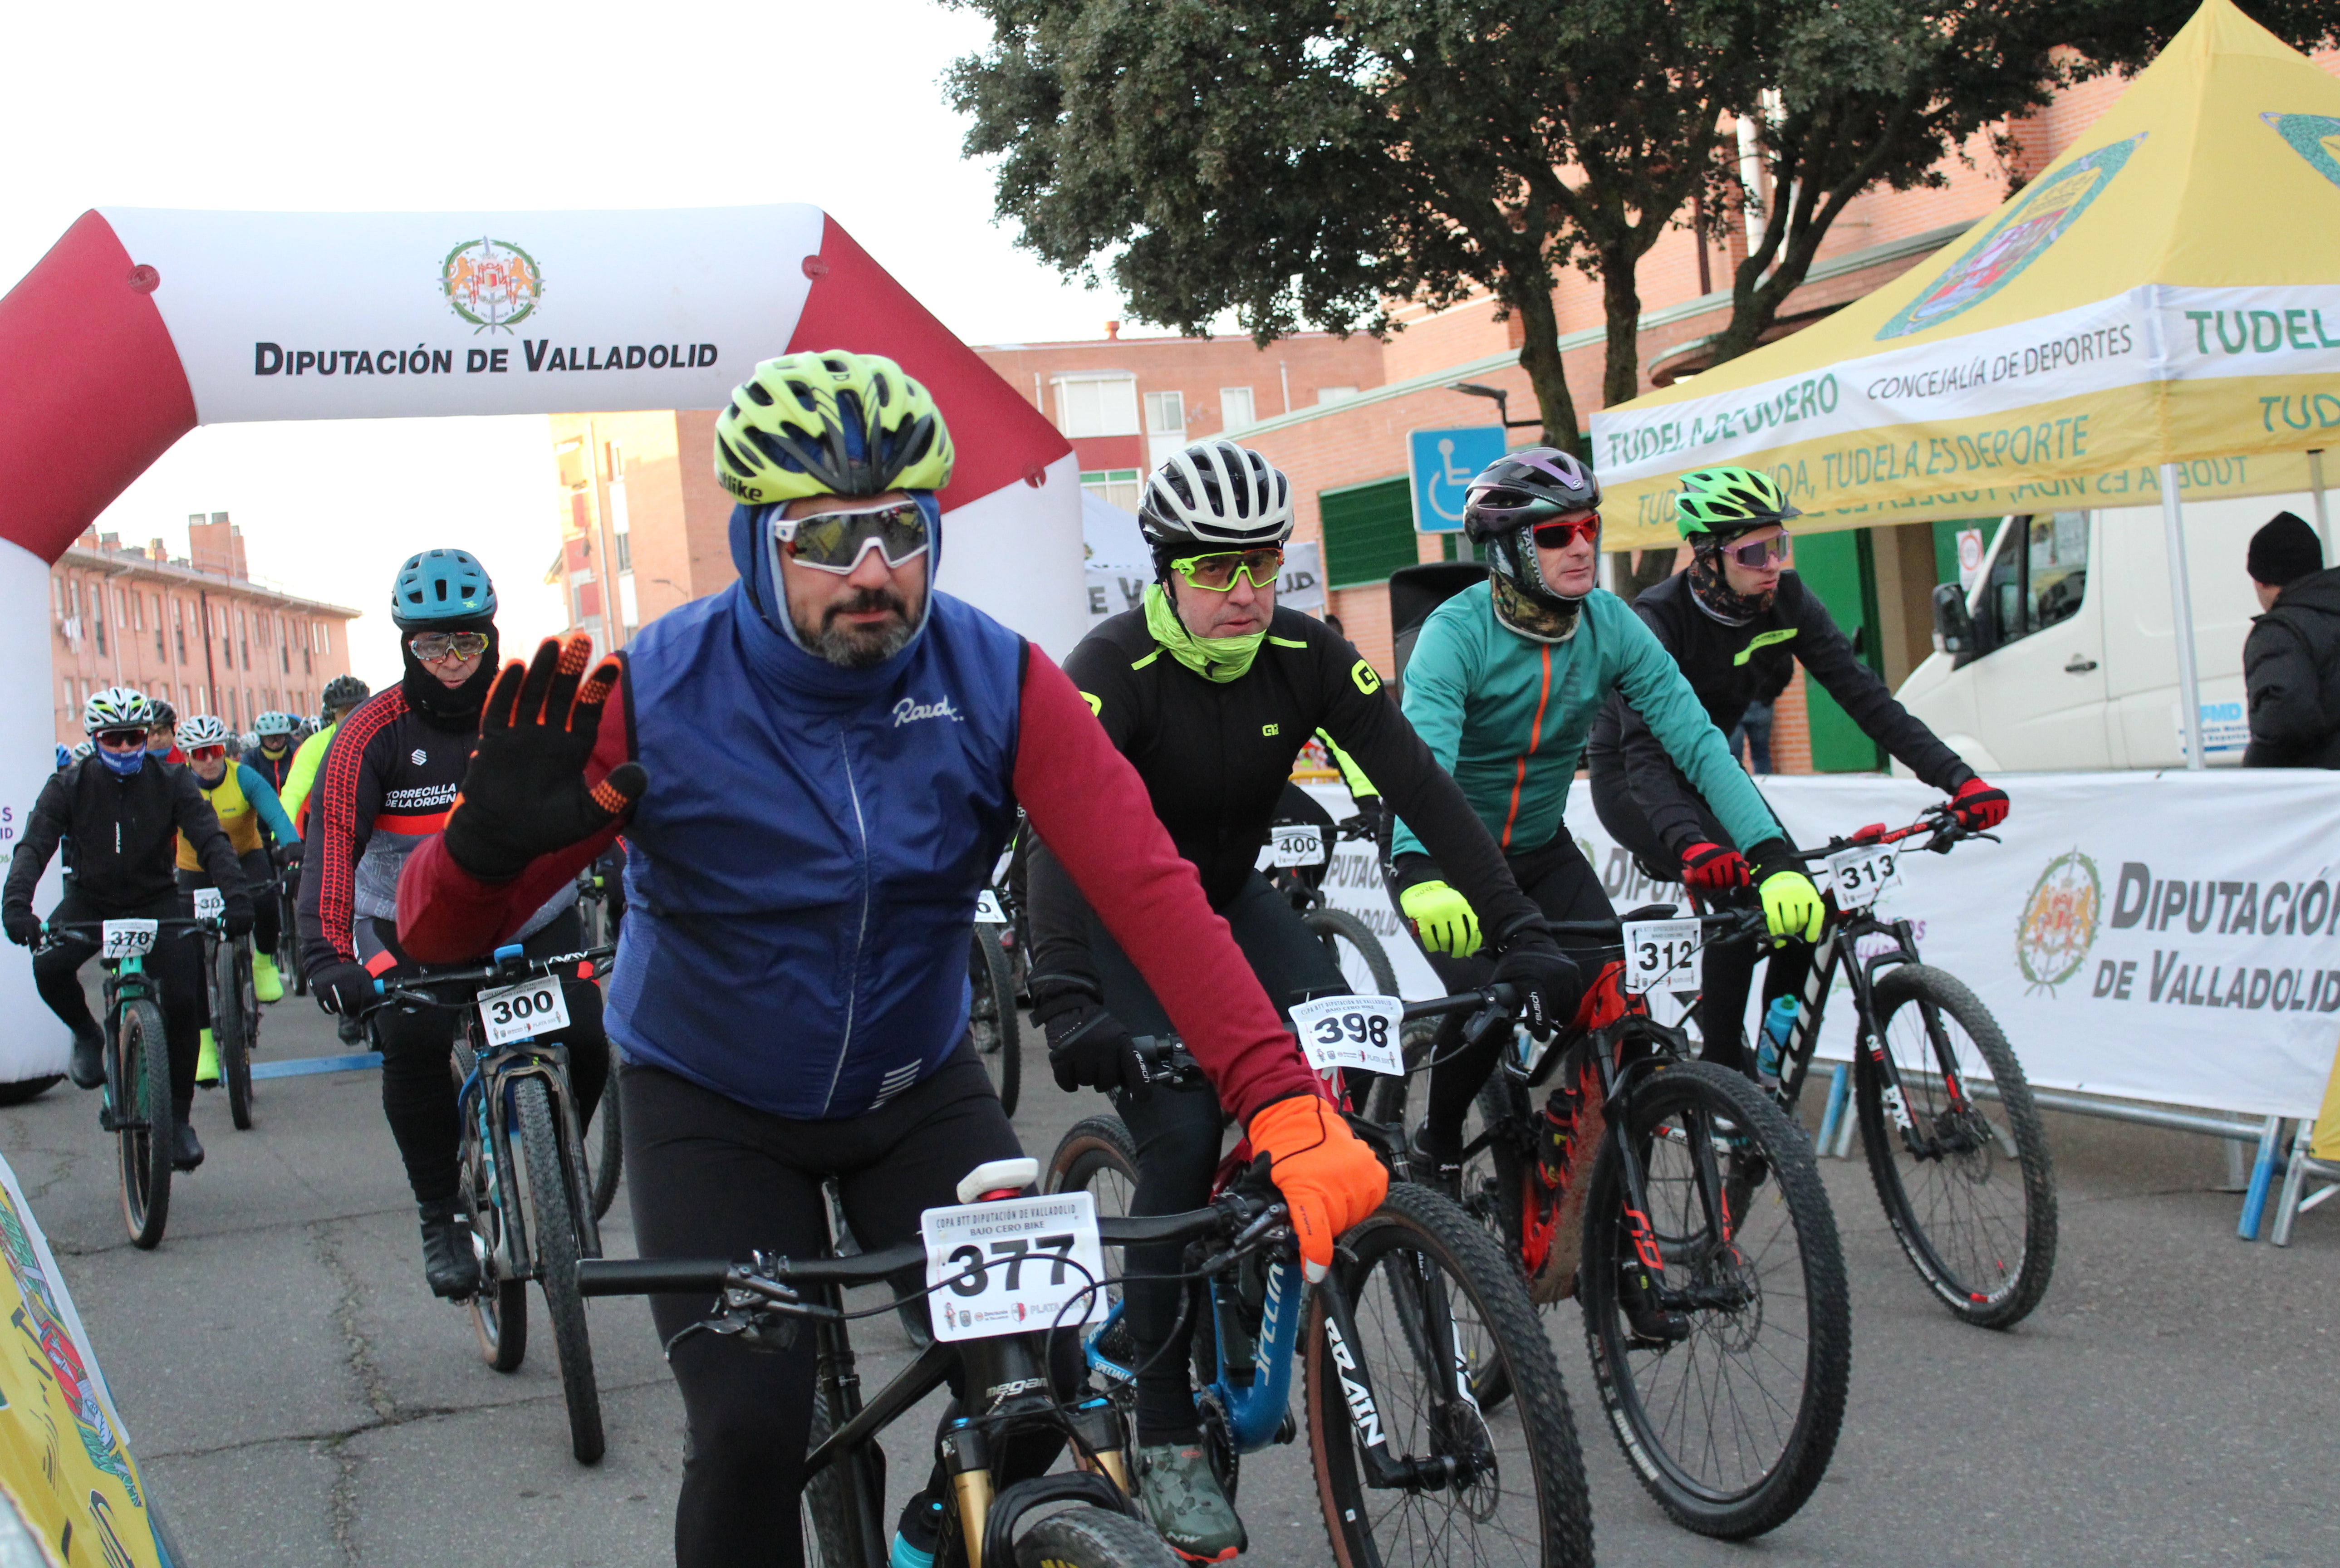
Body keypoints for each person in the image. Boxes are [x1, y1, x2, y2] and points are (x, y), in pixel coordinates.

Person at [391, 351, 1388, 1568]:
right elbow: (438, 937)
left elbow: (1150, 889)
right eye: (828, 539)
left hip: (915, 1089)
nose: (874, 575)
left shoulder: (993, 676)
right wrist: (485, 850)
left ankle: (933, 1532)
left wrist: (1277, 1094)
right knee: (752, 1433)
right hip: (710, 1103)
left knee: (1049, 1384)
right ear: (758, 539)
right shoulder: (652, 691)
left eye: (902, 532)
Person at [1023, 438, 1580, 1560]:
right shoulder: (1111, 665)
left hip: (1229, 901)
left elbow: (1415, 779)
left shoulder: (1304, 650)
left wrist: (1518, 926)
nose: (1242, 590)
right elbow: (1053, 835)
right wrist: (1066, 992)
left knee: (1338, 1083)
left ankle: (1288, 1256)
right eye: (1215, 567)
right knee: (1179, 1132)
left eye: (1262, 563)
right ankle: (1170, 1428)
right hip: (1123, 924)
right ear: (1163, 567)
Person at [1387, 450, 1826, 1265]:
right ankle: (1438, 1144)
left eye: (1589, 527)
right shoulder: (1456, 635)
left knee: (1612, 1015)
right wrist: (1418, 871)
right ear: (1508, 549)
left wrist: (1772, 855)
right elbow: (1424, 770)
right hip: (1450, 861)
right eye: (1555, 534)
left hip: (1542, 850)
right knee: (1487, 1010)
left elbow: (1696, 743)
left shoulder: (1609, 625)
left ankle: (1608, 1217)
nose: (1581, 546)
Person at [1588, 466, 2008, 1068]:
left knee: (1801, 904)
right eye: (1755, 551)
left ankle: (1771, 1065)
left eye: (1780, 545)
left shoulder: (1785, 599)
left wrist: (1959, 778)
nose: (1773, 564)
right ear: (1707, 555)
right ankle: (1725, 1081)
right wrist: (1691, 843)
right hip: (1635, 779)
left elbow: (1868, 701)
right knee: (1738, 901)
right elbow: (1646, 756)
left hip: (1716, 775)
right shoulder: (1658, 619)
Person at [297, 553, 609, 1301]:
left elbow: (607, 799)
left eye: (465, 643)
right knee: (410, 1043)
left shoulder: (528, 709)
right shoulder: (370, 733)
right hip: (409, 920)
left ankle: (554, 1156)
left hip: (528, 908)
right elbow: (331, 846)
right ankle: (439, 1213)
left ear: (491, 638)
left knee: (589, 1036)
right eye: (432, 646)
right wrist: (324, 954)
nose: (451, 662)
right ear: (406, 646)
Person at [2, 689, 250, 1172]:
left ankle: (178, 1120)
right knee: (49, 966)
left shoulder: (173, 779)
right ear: (95, 739)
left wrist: (236, 897)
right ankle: (87, 1034)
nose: (123, 748)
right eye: (112, 739)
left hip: (156, 901)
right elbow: (33, 846)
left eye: (132, 738)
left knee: (184, 999)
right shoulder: (68, 785)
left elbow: (210, 839)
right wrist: (17, 905)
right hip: (91, 901)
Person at [172, 714, 299, 1044]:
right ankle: (204, 1048)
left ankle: (263, 962)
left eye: (215, 750)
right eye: (200, 754)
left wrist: (292, 848)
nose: (210, 760)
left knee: (266, 902)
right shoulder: (176, 784)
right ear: (188, 758)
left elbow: (276, 816)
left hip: (245, 858)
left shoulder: (244, 777)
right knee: (192, 954)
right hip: (196, 870)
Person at [2242, 510, 2340, 769]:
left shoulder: (2281, 632)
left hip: (2330, 794)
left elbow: (2284, 720)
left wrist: (2252, 777)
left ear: (2261, 581)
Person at [283, 675, 370, 836]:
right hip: (330, 827)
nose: (354, 716)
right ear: (332, 715)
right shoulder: (315, 746)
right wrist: (284, 836)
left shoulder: (384, 737)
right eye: (346, 711)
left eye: (360, 708)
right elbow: (292, 795)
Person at [248, 711, 300, 795]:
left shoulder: (297, 753)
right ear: (262, 739)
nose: (275, 743)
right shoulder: (251, 759)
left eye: (279, 738)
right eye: (270, 739)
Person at [144, 699, 184, 766]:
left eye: (162, 731)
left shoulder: (188, 762)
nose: (156, 738)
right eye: (149, 733)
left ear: (173, 733)